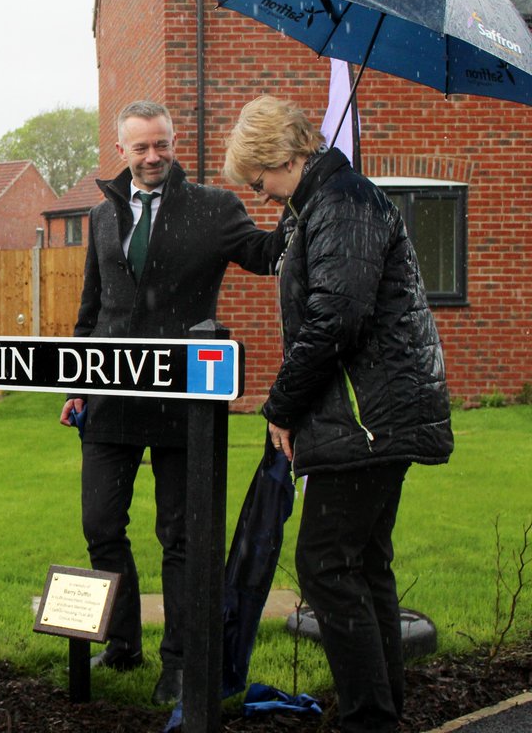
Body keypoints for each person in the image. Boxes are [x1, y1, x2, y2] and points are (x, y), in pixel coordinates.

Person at [223, 95, 453, 733]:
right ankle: (380, 712)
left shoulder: (345, 203)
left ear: (285, 156)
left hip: (367, 420)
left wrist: (281, 406)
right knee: (364, 563)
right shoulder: (324, 204)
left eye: (259, 177)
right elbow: (286, 262)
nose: (260, 191)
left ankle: (368, 718)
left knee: (324, 565)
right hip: (379, 415)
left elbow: (337, 318)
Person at [58, 100, 285, 704]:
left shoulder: (213, 208)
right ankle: (123, 642)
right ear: (121, 151)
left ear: (173, 143)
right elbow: (91, 306)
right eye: (141, 148)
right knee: (100, 524)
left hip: (184, 404)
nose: (153, 157)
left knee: (181, 536)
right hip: (109, 399)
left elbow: (265, 257)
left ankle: (180, 662)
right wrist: (78, 379)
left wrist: (298, 199)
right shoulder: (102, 215)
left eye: (162, 145)